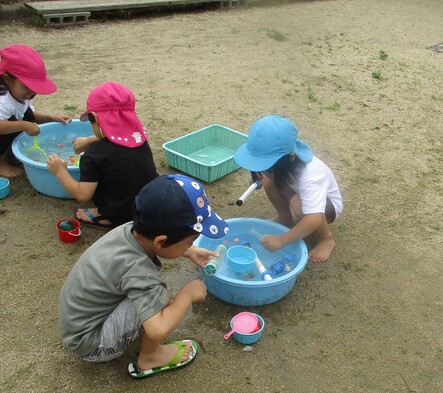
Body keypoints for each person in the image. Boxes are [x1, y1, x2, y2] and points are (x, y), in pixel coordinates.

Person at [59, 174, 230, 378]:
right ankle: (150, 357)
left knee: (154, 293)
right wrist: (187, 295)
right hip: (91, 344)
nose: (190, 245)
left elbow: (159, 244)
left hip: (77, 323)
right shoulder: (139, 271)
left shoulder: (130, 229)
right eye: (189, 241)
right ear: (161, 241)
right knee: (159, 295)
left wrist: (189, 250)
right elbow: (157, 329)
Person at [47, 82, 158, 229]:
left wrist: (60, 171)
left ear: (95, 117)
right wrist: (89, 139)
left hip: (123, 212)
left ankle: (109, 217)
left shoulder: (94, 155)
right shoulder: (140, 139)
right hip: (151, 203)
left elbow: (83, 196)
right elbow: (118, 138)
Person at [234, 115, 343, 262]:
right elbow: (273, 175)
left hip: (327, 208)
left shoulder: (311, 175)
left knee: (303, 209)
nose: (264, 171)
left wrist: (282, 240)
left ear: (290, 158)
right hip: (298, 193)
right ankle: (285, 219)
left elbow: (314, 218)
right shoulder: (286, 165)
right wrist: (263, 175)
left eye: (267, 167)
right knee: (268, 181)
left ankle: (326, 238)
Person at [0, 44, 70, 178]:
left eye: (34, 87)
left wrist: (51, 118)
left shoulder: (22, 94)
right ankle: (1, 164)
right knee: (16, 124)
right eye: (27, 86)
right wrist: (24, 125)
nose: (31, 92)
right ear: (7, 80)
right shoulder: (2, 99)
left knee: (25, 117)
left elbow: (29, 115)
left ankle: (9, 153)